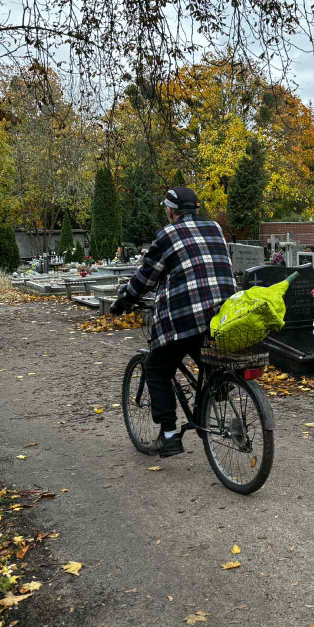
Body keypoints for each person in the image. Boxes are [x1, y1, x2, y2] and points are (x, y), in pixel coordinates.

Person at [110, 186, 236, 457]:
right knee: (204, 351)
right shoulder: (215, 227)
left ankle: (169, 436)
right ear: (196, 209)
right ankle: (218, 385)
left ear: (170, 211)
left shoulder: (167, 234)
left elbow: (146, 278)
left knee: (156, 369)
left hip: (185, 317)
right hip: (224, 313)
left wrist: (123, 302)